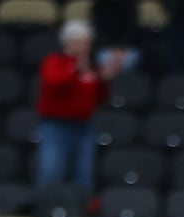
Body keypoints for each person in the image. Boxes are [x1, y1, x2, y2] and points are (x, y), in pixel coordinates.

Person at [36, 21, 126, 195]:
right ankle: (45, 208)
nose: (87, 46)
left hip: (84, 126)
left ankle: (82, 213)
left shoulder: (91, 66)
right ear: (70, 42)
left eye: (88, 42)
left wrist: (104, 80)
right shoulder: (55, 62)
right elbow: (54, 83)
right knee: (51, 170)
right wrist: (75, 69)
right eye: (83, 41)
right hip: (56, 126)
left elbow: (99, 98)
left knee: (84, 174)